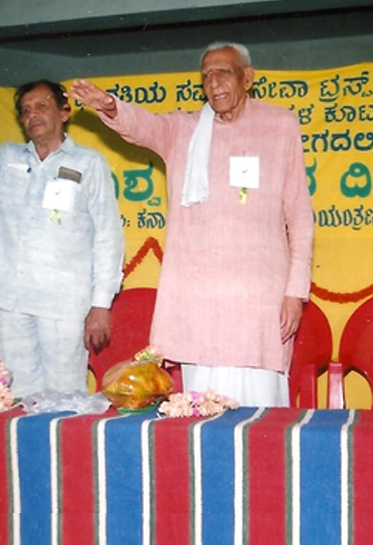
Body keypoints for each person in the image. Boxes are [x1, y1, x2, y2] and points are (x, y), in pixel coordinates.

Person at [69, 42, 314, 407]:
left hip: (259, 298)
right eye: (206, 75)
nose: (213, 83)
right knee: (204, 405)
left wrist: (295, 293)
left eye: (223, 73)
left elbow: (299, 214)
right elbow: (144, 126)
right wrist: (109, 105)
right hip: (201, 299)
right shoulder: (184, 130)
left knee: (260, 408)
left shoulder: (280, 124)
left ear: (247, 78)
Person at [0, 80, 124, 398]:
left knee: (65, 395)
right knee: (20, 393)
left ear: (64, 113)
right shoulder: (8, 158)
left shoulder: (88, 163)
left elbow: (108, 235)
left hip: (64, 301)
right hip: (12, 300)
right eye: (26, 110)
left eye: (41, 106)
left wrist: (101, 303)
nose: (32, 115)